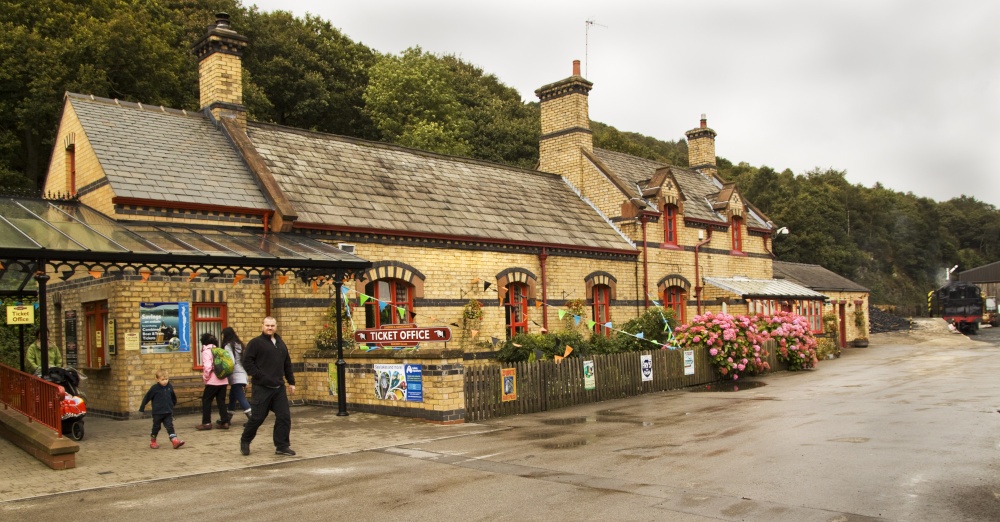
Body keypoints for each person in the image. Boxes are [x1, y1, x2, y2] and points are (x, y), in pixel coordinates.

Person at [240, 316, 296, 456]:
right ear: (262, 326)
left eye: (272, 325)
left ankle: (282, 446)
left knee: (284, 417)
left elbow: (287, 364)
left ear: (276, 327)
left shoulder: (280, 344)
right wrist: (260, 376)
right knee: (257, 418)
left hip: (279, 388)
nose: (270, 328)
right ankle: (245, 440)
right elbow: (247, 362)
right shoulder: (256, 343)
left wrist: (291, 382)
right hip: (262, 388)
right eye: (267, 325)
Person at [138, 369, 184, 449]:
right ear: (157, 379)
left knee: (170, 426)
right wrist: (142, 407)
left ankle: (175, 441)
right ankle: (153, 441)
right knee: (156, 427)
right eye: (162, 379)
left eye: (166, 379)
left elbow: (173, 397)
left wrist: (172, 404)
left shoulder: (169, 386)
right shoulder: (154, 388)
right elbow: (147, 397)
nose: (165, 381)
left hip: (168, 412)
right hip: (157, 413)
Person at [196, 332, 231, 430]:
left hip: (212, 381)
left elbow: (207, 367)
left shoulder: (207, 352)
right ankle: (225, 422)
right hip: (223, 380)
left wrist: (206, 378)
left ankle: (206, 423)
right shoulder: (219, 350)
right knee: (221, 401)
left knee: (206, 400)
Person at [221, 326, 252, 420]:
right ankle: (227, 418)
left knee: (241, 397)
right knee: (232, 396)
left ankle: (252, 418)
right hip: (242, 373)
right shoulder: (239, 344)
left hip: (235, 375)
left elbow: (231, 361)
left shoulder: (228, 346)